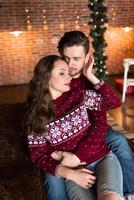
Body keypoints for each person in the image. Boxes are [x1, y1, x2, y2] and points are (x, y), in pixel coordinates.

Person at [44, 31, 134, 200]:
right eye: (66, 58)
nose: (70, 64)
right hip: (65, 139)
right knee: (52, 172)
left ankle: (130, 192)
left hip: (94, 132)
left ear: (86, 58)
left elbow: (113, 104)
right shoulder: (55, 80)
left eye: (76, 59)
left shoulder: (88, 84)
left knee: (118, 140)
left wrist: (91, 76)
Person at [25, 55, 123, 200]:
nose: (69, 77)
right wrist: (71, 174)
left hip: (102, 159)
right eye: (61, 73)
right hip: (73, 172)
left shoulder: (79, 95)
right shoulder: (36, 115)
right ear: (46, 78)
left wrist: (90, 75)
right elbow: (38, 154)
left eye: (68, 73)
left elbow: (113, 101)